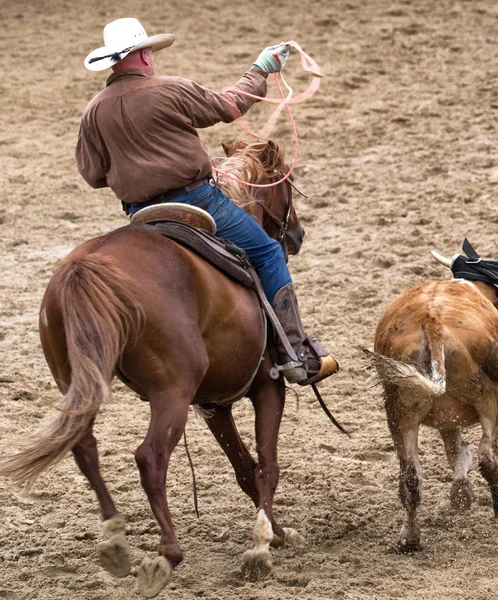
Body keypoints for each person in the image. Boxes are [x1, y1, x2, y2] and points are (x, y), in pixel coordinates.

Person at [76, 17, 338, 385]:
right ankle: (293, 350)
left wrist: (134, 169)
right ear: (145, 55)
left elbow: (92, 175)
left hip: (141, 214)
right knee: (267, 252)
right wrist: (260, 68)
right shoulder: (171, 89)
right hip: (198, 200)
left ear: (112, 62)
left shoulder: (93, 112)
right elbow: (230, 107)